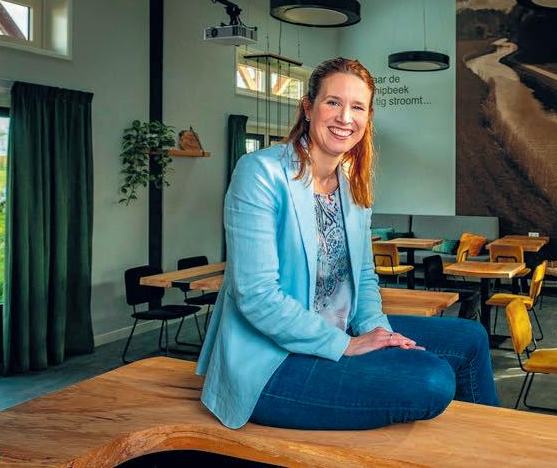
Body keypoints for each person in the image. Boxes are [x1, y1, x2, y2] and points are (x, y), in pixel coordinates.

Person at [196, 57, 499, 430]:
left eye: (357, 107)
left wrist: (378, 332)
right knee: (431, 380)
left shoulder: (353, 185)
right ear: (308, 108)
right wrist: (348, 346)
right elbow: (257, 296)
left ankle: (489, 447)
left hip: (341, 331)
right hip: (270, 360)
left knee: (470, 338)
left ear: (368, 118)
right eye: (333, 102)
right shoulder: (260, 172)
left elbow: (365, 276)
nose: (345, 117)